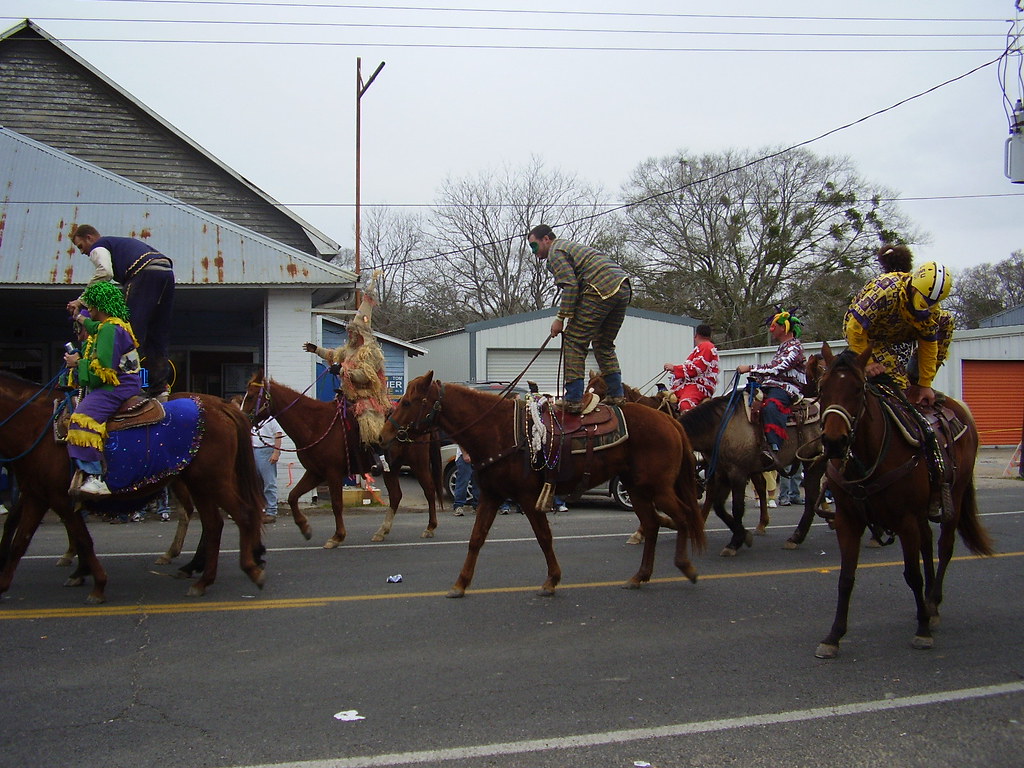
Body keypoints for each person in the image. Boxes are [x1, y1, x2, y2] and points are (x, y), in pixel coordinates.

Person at [527, 224, 631, 413]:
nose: (534, 252)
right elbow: (576, 286)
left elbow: (570, 285)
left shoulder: (555, 252)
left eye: (534, 246)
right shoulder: (568, 247)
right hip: (622, 286)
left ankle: (573, 399)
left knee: (574, 340)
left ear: (546, 239)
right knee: (603, 343)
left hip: (600, 287)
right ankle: (616, 394)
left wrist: (560, 318)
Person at [67, 225, 175, 399]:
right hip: (166, 272)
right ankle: (159, 389)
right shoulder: (119, 244)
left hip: (143, 272)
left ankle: (126, 384)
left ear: (89, 238)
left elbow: (105, 272)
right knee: (157, 334)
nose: (82, 252)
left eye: (80, 246)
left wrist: (81, 300)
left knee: (127, 331)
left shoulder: (99, 246)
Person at [64, 281, 143, 496]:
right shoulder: (112, 325)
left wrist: (77, 364)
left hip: (117, 386)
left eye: (90, 304)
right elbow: (92, 326)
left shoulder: (109, 329)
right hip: (126, 382)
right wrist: (79, 317)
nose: (88, 307)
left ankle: (95, 476)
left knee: (81, 419)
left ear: (100, 304)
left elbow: (104, 372)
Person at [844, 261, 953, 407]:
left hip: (901, 331)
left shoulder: (931, 311)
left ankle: (916, 380)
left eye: (932, 303)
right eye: (924, 301)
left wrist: (925, 383)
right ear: (914, 288)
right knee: (899, 384)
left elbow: (929, 343)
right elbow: (854, 327)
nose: (926, 306)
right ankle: (904, 387)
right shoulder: (885, 290)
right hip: (869, 335)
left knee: (946, 321)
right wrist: (866, 362)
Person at [304, 274, 390, 451]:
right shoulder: (349, 350)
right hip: (348, 394)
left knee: (366, 416)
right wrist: (316, 350)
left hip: (366, 395)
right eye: (349, 331)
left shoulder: (371, 351)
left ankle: (376, 451)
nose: (349, 335)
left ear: (360, 333)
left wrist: (343, 371)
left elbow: (366, 375)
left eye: (352, 332)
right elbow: (334, 355)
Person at [737, 311, 807, 471]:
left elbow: (778, 367)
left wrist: (750, 368)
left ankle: (773, 446)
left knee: (770, 406)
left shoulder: (795, 347)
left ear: (784, 328)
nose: (771, 329)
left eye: (774, 326)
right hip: (772, 385)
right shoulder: (783, 347)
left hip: (788, 388)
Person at [663, 323, 720, 412]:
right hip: (688, 386)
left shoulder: (706, 346)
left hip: (699, 386)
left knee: (685, 404)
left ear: (696, 335)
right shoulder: (703, 347)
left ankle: (691, 425)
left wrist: (674, 368)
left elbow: (697, 368)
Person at [252, 415, 283, 523]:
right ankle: (260, 509)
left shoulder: (270, 419)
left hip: (266, 450)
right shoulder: (253, 419)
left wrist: (276, 452)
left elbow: (278, 434)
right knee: (257, 482)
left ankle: (271, 511)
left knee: (269, 482)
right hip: (254, 449)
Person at [452, 445, 477, 516]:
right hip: (463, 456)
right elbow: (460, 440)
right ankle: (458, 505)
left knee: (477, 481)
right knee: (463, 481)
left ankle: (477, 505)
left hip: (477, 456)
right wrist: (465, 454)